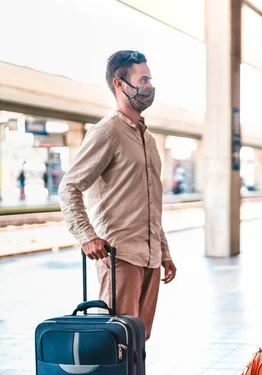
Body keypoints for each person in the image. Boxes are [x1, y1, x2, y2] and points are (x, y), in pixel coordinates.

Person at [58, 50, 176, 340]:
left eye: (150, 79)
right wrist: (87, 236)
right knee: (116, 342)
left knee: (138, 340)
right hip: (120, 255)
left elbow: (150, 203)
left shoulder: (146, 137)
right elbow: (69, 186)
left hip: (149, 257)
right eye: (143, 79)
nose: (149, 87)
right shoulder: (107, 132)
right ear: (120, 84)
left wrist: (165, 253)